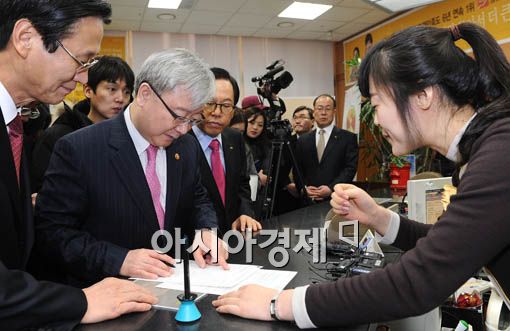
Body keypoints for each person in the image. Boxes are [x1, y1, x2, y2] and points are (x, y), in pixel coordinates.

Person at [212, 22, 510, 328]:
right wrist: (378, 218)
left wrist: (281, 303)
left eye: (378, 104)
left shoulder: (500, 153)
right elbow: (451, 246)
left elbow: (420, 280)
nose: (376, 119)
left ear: (423, 94)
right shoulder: (489, 147)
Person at [0, 1, 158, 329]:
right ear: (25, 38)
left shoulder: (14, 125)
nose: (84, 75)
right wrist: (81, 301)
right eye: (82, 60)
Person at [35, 49, 229, 287]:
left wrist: (205, 229)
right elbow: (53, 233)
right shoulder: (79, 149)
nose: (184, 129)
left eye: (193, 120)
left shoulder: (186, 147)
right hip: (106, 295)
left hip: (173, 289)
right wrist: (119, 260)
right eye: (179, 116)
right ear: (145, 94)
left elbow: (198, 197)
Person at [31, 55, 134, 192]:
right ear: (88, 91)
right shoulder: (59, 136)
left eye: (126, 92)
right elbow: (40, 191)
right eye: (112, 89)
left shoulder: (129, 138)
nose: (120, 99)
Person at [191, 67, 261, 234]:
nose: (216, 112)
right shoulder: (179, 143)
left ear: (233, 111)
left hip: (234, 237)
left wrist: (245, 213)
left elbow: (243, 184)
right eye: (209, 103)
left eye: (226, 105)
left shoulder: (235, 139)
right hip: (194, 244)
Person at [293, 94, 358, 202]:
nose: (323, 113)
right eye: (319, 108)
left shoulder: (348, 138)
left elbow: (350, 168)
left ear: (334, 111)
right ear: (314, 112)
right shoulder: (302, 140)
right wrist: (303, 188)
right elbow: (297, 169)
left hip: (337, 199)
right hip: (308, 201)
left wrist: (331, 188)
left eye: (328, 109)